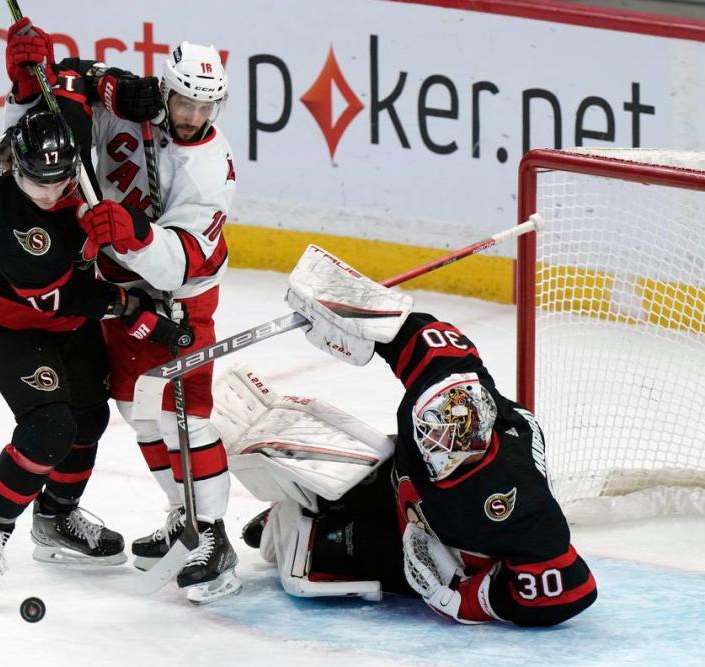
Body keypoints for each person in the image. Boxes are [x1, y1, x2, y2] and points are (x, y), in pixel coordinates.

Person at [215, 245, 597, 626]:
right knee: (346, 478)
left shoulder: (515, 503)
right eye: (431, 438)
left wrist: (460, 598)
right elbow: (406, 331)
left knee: (315, 550)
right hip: (409, 489)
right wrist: (350, 307)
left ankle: (295, 526)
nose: (437, 452)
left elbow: (569, 592)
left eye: (447, 451)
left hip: (450, 548)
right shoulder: (445, 382)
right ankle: (315, 506)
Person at [4, 19, 239, 603]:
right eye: (184, 101)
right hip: (118, 286)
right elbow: (55, 113)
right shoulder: (133, 108)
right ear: (167, 89)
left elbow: (185, 261)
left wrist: (133, 234)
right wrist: (46, 83)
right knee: (139, 409)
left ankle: (212, 535)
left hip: (178, 296)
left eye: (204, 107)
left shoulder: (210, 167)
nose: (191, 117)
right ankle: (181, 515)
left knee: (192, 416)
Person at [0, 67, 192, 605]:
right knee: (49, 427)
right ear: (15, 161)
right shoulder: (16, 233)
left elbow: (68, 78)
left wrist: (115, 87)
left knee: (90, 414)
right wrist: (132, 306)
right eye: (41, 182)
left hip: (62, 305)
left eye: (61, 180)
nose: (53, 191)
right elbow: (66, 298)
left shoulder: (59, 134)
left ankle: (55, 519)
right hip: (9, 320)